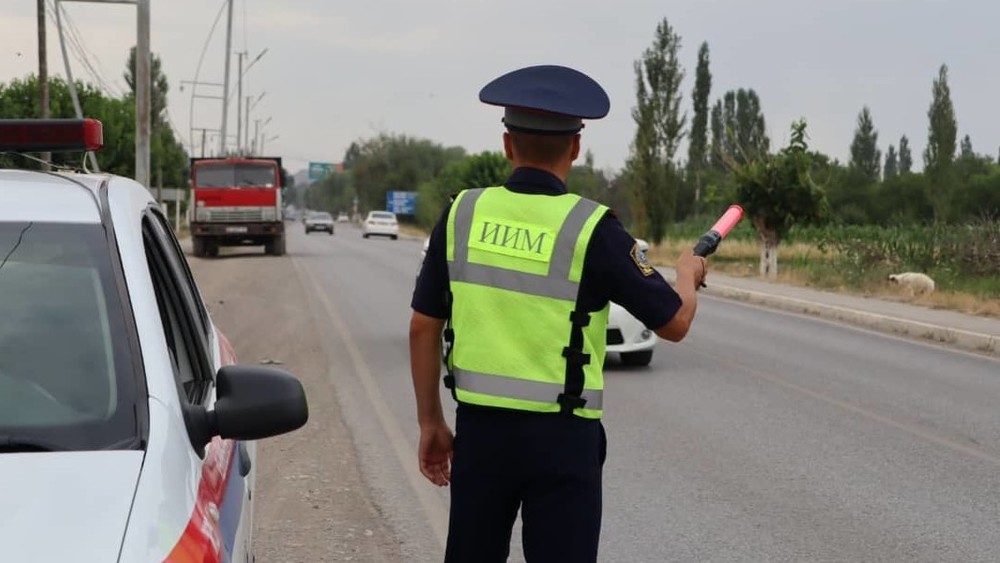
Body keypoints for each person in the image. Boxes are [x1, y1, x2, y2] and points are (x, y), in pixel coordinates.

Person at [409, 64, 708, 563]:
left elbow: (423, 325)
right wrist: (684, 274)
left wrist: (430, 423)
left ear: (507, 145)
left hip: (482, 433)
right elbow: (674, 322)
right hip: (563, 439)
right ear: (575, 147)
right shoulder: (593, 227)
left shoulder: (462, 213)